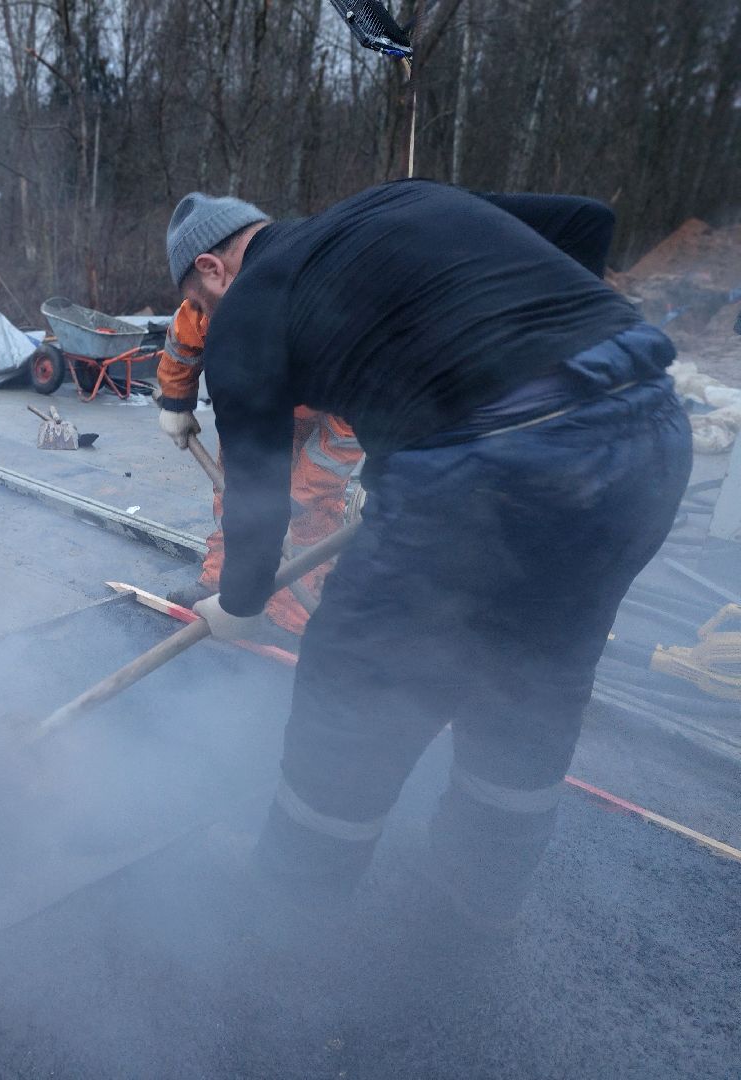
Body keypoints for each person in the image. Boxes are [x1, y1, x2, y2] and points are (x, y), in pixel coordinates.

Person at [168, 182, 691, 936]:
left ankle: (289, 913)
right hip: (649, 435)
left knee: (352, 683)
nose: (208, 319)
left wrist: (240, 606)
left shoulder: (249, 305)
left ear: (215, 270)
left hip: (498, 469)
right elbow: (588, 221)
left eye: (200, 303)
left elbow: (256, 496)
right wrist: (543, 355)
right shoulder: (397, 205)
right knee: (534, 672)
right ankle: (476, 890)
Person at [156, 289, 363, 640]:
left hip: (322, 423)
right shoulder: (219, 304)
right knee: (236, 501)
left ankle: (292, 617)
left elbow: (343, 441)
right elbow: (184, 336)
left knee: (311, 521)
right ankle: (222, 586)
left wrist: (294, 501)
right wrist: (176, 400)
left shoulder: (351, 348)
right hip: (249, 410)